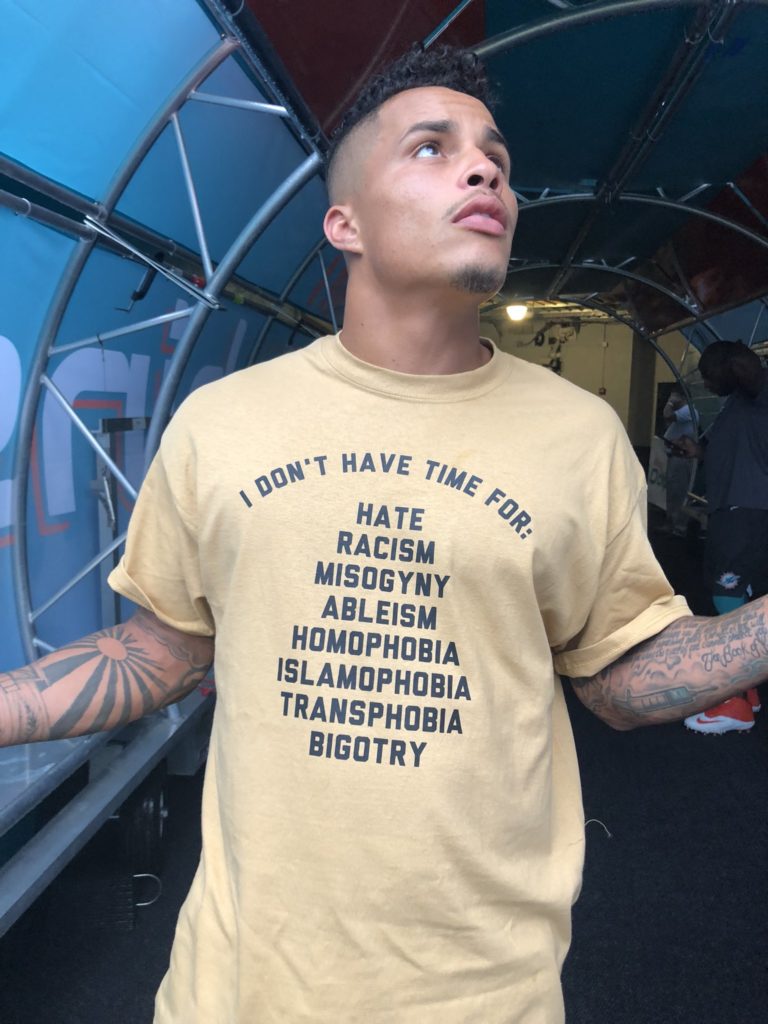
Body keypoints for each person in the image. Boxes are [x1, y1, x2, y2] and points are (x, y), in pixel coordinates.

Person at [1, 44, 768, 1024]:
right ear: (344, 223)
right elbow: (161, 650)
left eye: (495, 157)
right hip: (237, 991)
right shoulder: (221, 423)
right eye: (432, 148)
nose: (485, 170)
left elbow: (617, 674)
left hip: (481, 997)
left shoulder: (578, 436)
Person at [678, 340, 768, 734]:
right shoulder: (737, 403)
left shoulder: (759, 388)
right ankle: (748, 690)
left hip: (745, 512)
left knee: (727, 600)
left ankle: (735, 706)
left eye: (709, 375)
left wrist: (733, 360)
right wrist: (696, 452)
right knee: (738, 600)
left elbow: (749, 369)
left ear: (731, 369)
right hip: (733, 511)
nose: (706, 383)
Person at [661, 387, 695, 536]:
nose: (671, 398)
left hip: (682, 457)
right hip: (675, 455)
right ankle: (672, 523)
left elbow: (667, 415)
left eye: (674, 395)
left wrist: (670, 403)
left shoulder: (688, 410)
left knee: (679, 492)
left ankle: (678, 526)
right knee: (673, 491)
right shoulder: (683, 412)